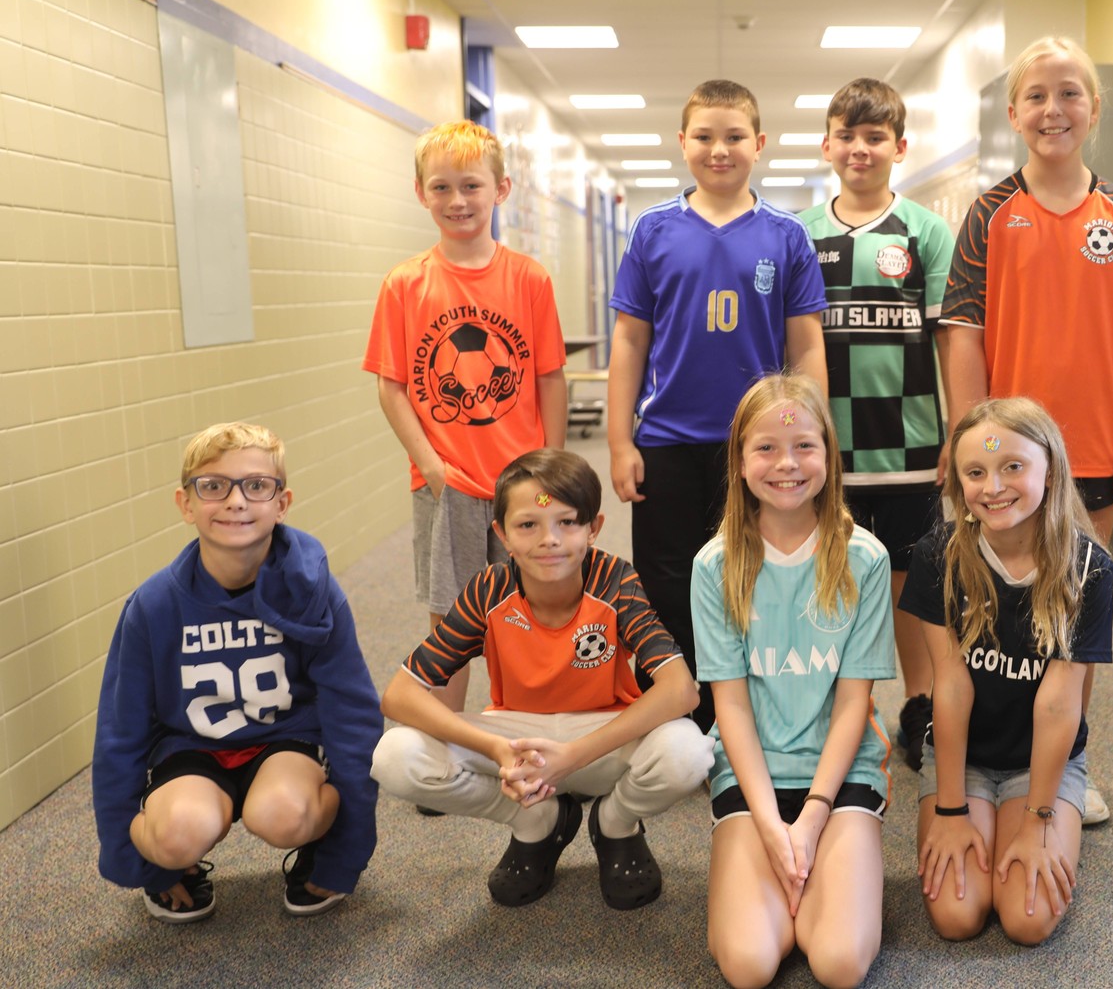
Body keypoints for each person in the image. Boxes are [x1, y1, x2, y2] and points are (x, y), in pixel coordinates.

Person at [940, 37, 1113, 823]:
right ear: (1013, 113)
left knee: (1077, 608)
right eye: (1036, 96)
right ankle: (988, 753)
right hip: (1005, 465)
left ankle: (1071, 755)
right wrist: (970, 441)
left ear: (1094, 108)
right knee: (1000, 610)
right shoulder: (989, 213)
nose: (1053, 109)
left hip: (1096, 450)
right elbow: (962, 332)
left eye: (1070, 93)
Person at [372, 448, 714, 910]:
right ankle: (535, 823)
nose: (549, 539)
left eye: (568, 522)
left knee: (688, 752)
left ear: (594, 528)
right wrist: (495, 749)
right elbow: (399, 695)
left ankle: (615, 823)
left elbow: (681, 689)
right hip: (517, 739)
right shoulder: (488, 589)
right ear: (503, 535)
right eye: (528, 525)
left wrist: (570, 758)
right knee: (395, 755)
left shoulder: (616, 579)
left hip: (599, 735)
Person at [92, 422, 382, 923]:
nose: (236, 501)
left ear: (282, 502)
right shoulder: (154, 605)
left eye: (256, 485)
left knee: (284, 815)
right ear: (186, 504)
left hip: (285, 744)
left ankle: (317, 844)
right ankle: (180, 861)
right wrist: (148, 865)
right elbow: (121, 732)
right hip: (192, 747)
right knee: (178, 832)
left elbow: (352, 715)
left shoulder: (314, 593)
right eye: (213, 486)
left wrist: (344, 856)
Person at [608, 79, 828, 731]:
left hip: (760, 448)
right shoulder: (653, 232)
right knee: (669, 583)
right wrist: (621, 440)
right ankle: (683, 712)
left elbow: (807, 346)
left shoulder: (786, 236)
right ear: (682, 143)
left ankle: (755, 712)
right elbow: (630, 339)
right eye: (704, 136)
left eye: (734, 136)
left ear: (760, 144)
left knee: (755, 577)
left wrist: (812, 432)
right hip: (669, 440)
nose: (719, 149)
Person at [692, 374, 894, 988]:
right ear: (740, 461)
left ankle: (824, 882)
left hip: (840, 778)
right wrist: (769, 824)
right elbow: (730, 707)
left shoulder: (865, 558)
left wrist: (809, 821)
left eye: (805, 446)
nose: (787, 464)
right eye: (767, 449)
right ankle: (784, 888)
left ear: (830, 457)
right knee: (750, 965)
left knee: (837, 963)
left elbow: (853, 702)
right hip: (752, 778)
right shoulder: (716, 564)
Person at [364, 119, 568, 714]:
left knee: (532, 611)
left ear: (500, 190)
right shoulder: (405, 284)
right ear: (420, 191)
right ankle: (447, 749)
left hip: (522, 482)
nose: (458, 201)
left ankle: (532, 732)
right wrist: (430, 465)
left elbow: (549, 378)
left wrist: (549, 468)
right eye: (442, 187)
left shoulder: (528, 279)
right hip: (446, 485)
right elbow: (392, 386)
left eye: (472, 186)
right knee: (450, 622)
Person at [898, 398, 1113, 945]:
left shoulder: (1088, 567)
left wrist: (1039, 820)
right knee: (956, 916)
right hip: (963, 757)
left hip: (1038, 761)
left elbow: (1060, 703)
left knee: (1026, 919)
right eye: (976, 472)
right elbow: (949, 685)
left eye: (1012, 467)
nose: (993, 486)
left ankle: (1041, 818)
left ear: (1051, 469)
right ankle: (977, 816)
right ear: (960, 484)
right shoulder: (937, 555)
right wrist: (950, 809)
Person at [799, 78, 956, 774]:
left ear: (898, 146)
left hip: (912, 450)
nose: (859, 148)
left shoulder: (925, 231)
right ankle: (843, 713)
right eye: (847, 135)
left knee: (909, 587)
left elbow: (952, 337)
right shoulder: (799, 232)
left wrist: (960, 426)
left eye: (874, 136)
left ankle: (918, 704)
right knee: (827, 586)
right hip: (824, 455)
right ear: (827, 144)